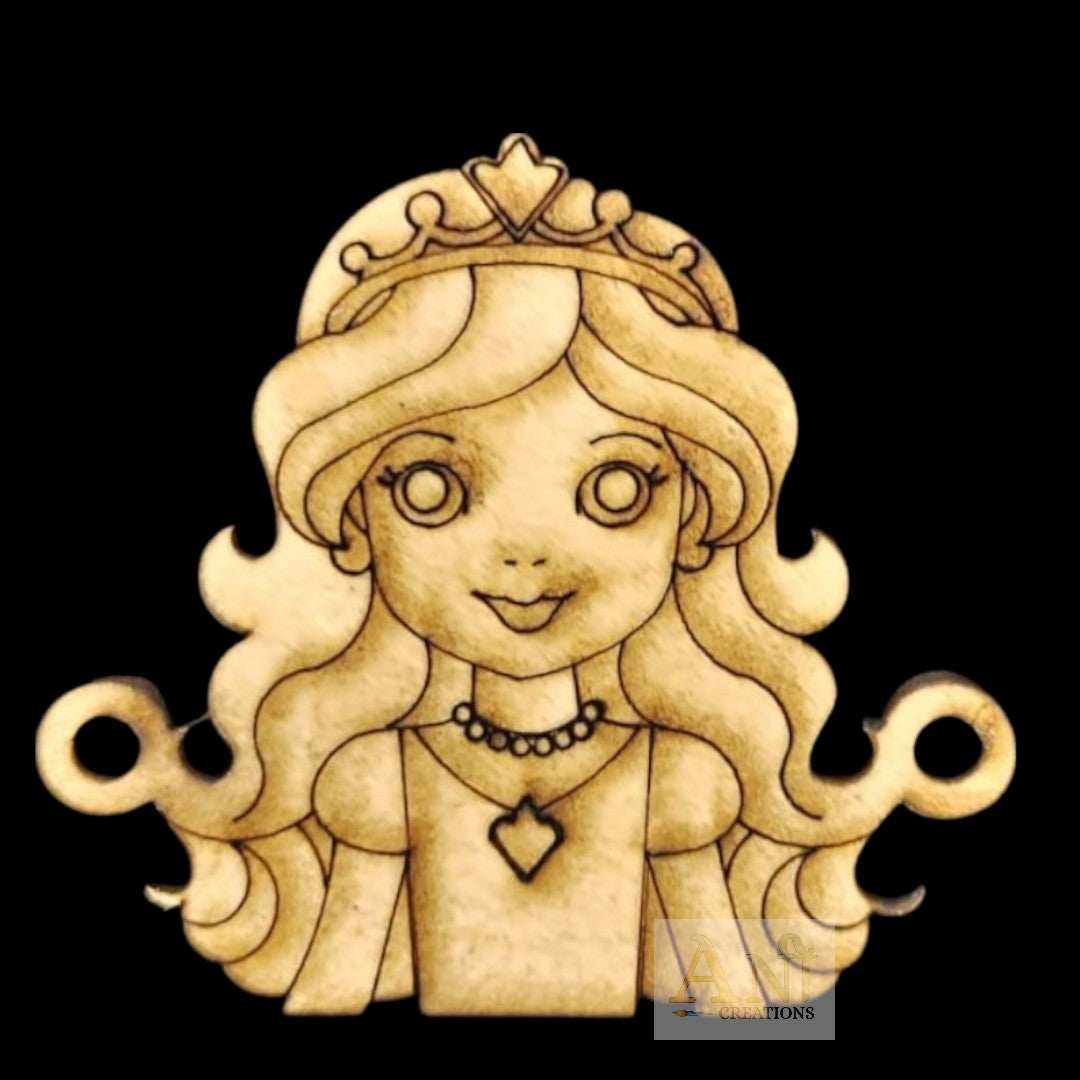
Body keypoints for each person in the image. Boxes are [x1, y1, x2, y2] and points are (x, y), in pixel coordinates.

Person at [36, 134, 1015, 1017]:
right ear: (351, 522)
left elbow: (731, 1011)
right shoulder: (372, 782)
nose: (524, 554)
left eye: (618, 487)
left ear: (696, 524)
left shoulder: (685, 783)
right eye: (429, 487)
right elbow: (329, 993)